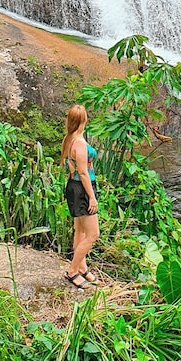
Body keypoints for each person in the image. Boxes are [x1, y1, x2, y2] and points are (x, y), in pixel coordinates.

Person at [61, 104, 100, 289]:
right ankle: (72, 271)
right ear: (83, 120)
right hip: (83, 189)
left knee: (80, 231)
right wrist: (92, 197)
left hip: (73, 187)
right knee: (93, 234)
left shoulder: (69, 139)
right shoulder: (80, 144)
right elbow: (83, 173)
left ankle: (82, 267)